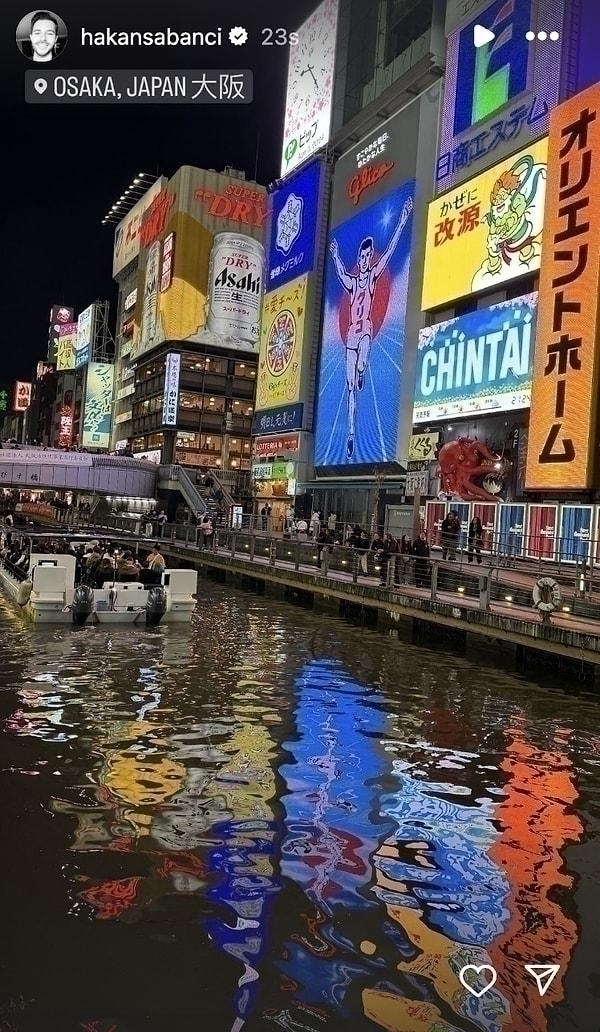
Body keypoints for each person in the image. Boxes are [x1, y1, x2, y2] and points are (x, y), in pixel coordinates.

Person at [330, 195, 413, 458]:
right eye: (362, 255)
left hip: (364, 329)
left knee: (364, 341)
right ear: (359, 257)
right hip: (350, 337)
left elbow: (389, 251)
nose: (365, 258)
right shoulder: (353, 283)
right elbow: (341, 272)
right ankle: (352, 433)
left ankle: (363, 368)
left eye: (368, 255)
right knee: (350, 388)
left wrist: (402, 219)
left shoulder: (373, 276)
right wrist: (334, 255)